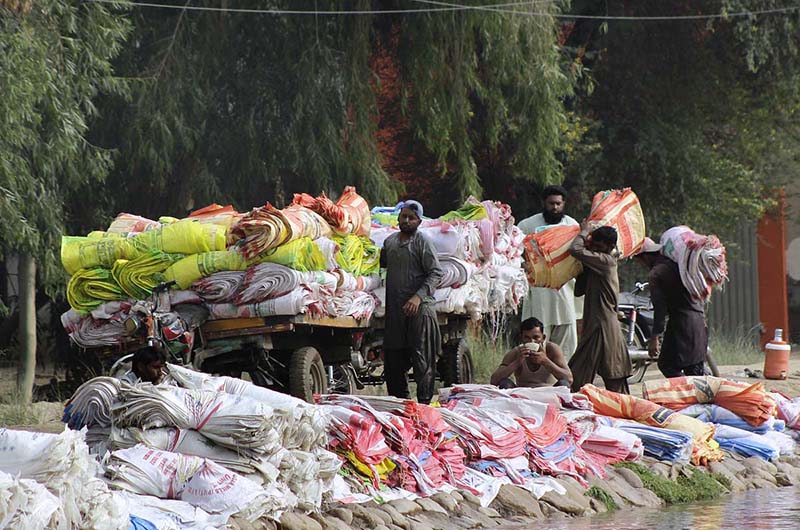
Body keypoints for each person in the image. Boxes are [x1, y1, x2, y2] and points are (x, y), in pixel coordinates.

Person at [380, 200, 443, 404]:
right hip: (396, 309)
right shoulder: (389, 243)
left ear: (419, 221)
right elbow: (380, 267)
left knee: (422, 357)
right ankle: (401, 405)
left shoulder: (422, 242)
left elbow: (435, 273)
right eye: (404, 216)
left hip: (420, 308)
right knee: (393, 359)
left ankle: (424, 404)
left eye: (411, 218)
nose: (406, 220)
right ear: (398, 217)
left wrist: (418, 297)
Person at [568, 224, 632, 394]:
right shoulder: (597, 264)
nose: (594, 250)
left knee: (615, 377)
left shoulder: (606, 262)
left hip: (603, 326)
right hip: (595, 324)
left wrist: (584, 231)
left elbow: (575, 250)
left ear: (610, 247)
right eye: (593, 246)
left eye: (598, 247)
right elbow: (579, 291)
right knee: (577, 376)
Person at [518, 185, 580, 358]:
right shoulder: (527, 225)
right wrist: (524, 265)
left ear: (564, 204)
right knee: (536, 335)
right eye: (551, 203)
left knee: (567, 338)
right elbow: (513, 252)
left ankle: (563, 379)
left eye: (558, 204)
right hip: (539, 291)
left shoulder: (571, 226)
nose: (555, 208)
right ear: (543, 203)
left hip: (565, 291)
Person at [634, 237, 709, 377]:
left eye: (639, 260)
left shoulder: (656, 274)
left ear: (645, 257)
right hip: (699, 322)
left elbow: (660, 309)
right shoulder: (678, 265)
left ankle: (689, 392)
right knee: (694, 370)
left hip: (682, 325)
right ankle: (695, 393)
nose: (640, 264)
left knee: (667, 364)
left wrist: (655, 337)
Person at [490, 317, 573, 388]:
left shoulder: (552, 349)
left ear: (543, 338)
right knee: (505, 383)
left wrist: (545, 361)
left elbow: (569, 379)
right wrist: (516, 363)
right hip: (522, 394)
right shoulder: (516, 353)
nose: (532, 341)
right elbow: (494, 380)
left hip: (548, 393)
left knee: (564, 384)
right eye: (527, 338)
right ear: (521, 338)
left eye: (536, 337)